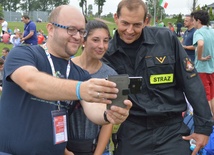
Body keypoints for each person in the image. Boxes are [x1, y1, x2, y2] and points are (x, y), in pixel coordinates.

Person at [0, 5, 132, 155]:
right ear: (50, 28)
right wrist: (79, 89)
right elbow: (31, 81)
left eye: (82, 31)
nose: (77, 36)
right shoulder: (23, 54)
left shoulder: (79, 74)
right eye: (71, 29)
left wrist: (109, 114)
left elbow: (93, 108)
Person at [102, 0, 213, 155]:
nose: (129, 30)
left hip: (171, 131)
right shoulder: (106, 53)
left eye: (136, 25)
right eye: (125, 23)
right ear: (116, 18)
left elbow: (191, 82)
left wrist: (204, 128)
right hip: (133, 130)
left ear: (146, 21)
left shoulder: (166, 39)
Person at [65, 20, 117, 155]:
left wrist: (98, 153)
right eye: (95, 40)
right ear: (83, 40)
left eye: (106, 41)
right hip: (65, 147)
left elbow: (109, 120)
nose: (101, 46)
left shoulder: (110, 75)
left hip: (96, 148)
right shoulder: (65, 69)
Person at [191, 10, 214, 116]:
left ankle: (207, 122)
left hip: (202, 69)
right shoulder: (212, 31)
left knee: (206, 96)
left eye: (193, 20)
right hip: (212, 68)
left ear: (198, 21)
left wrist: (200, 57)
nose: (193, 23)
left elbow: (200, 44)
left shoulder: (199, 32)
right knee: (212, 96)